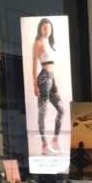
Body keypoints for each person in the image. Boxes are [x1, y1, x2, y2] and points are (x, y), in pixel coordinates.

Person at [32, 18, 65, 156]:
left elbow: (52, 67)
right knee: (42, 113)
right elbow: (33, 63)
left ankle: (55, 141)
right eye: (45, 27)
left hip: (51, 79)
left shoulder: (49, 43)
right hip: (44, 79)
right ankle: (44, 145)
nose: (47, 30)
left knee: (61, 110)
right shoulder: (38, 43)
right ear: (40, 28)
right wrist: (34, 83)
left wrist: (55, 83)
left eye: (49, 28)